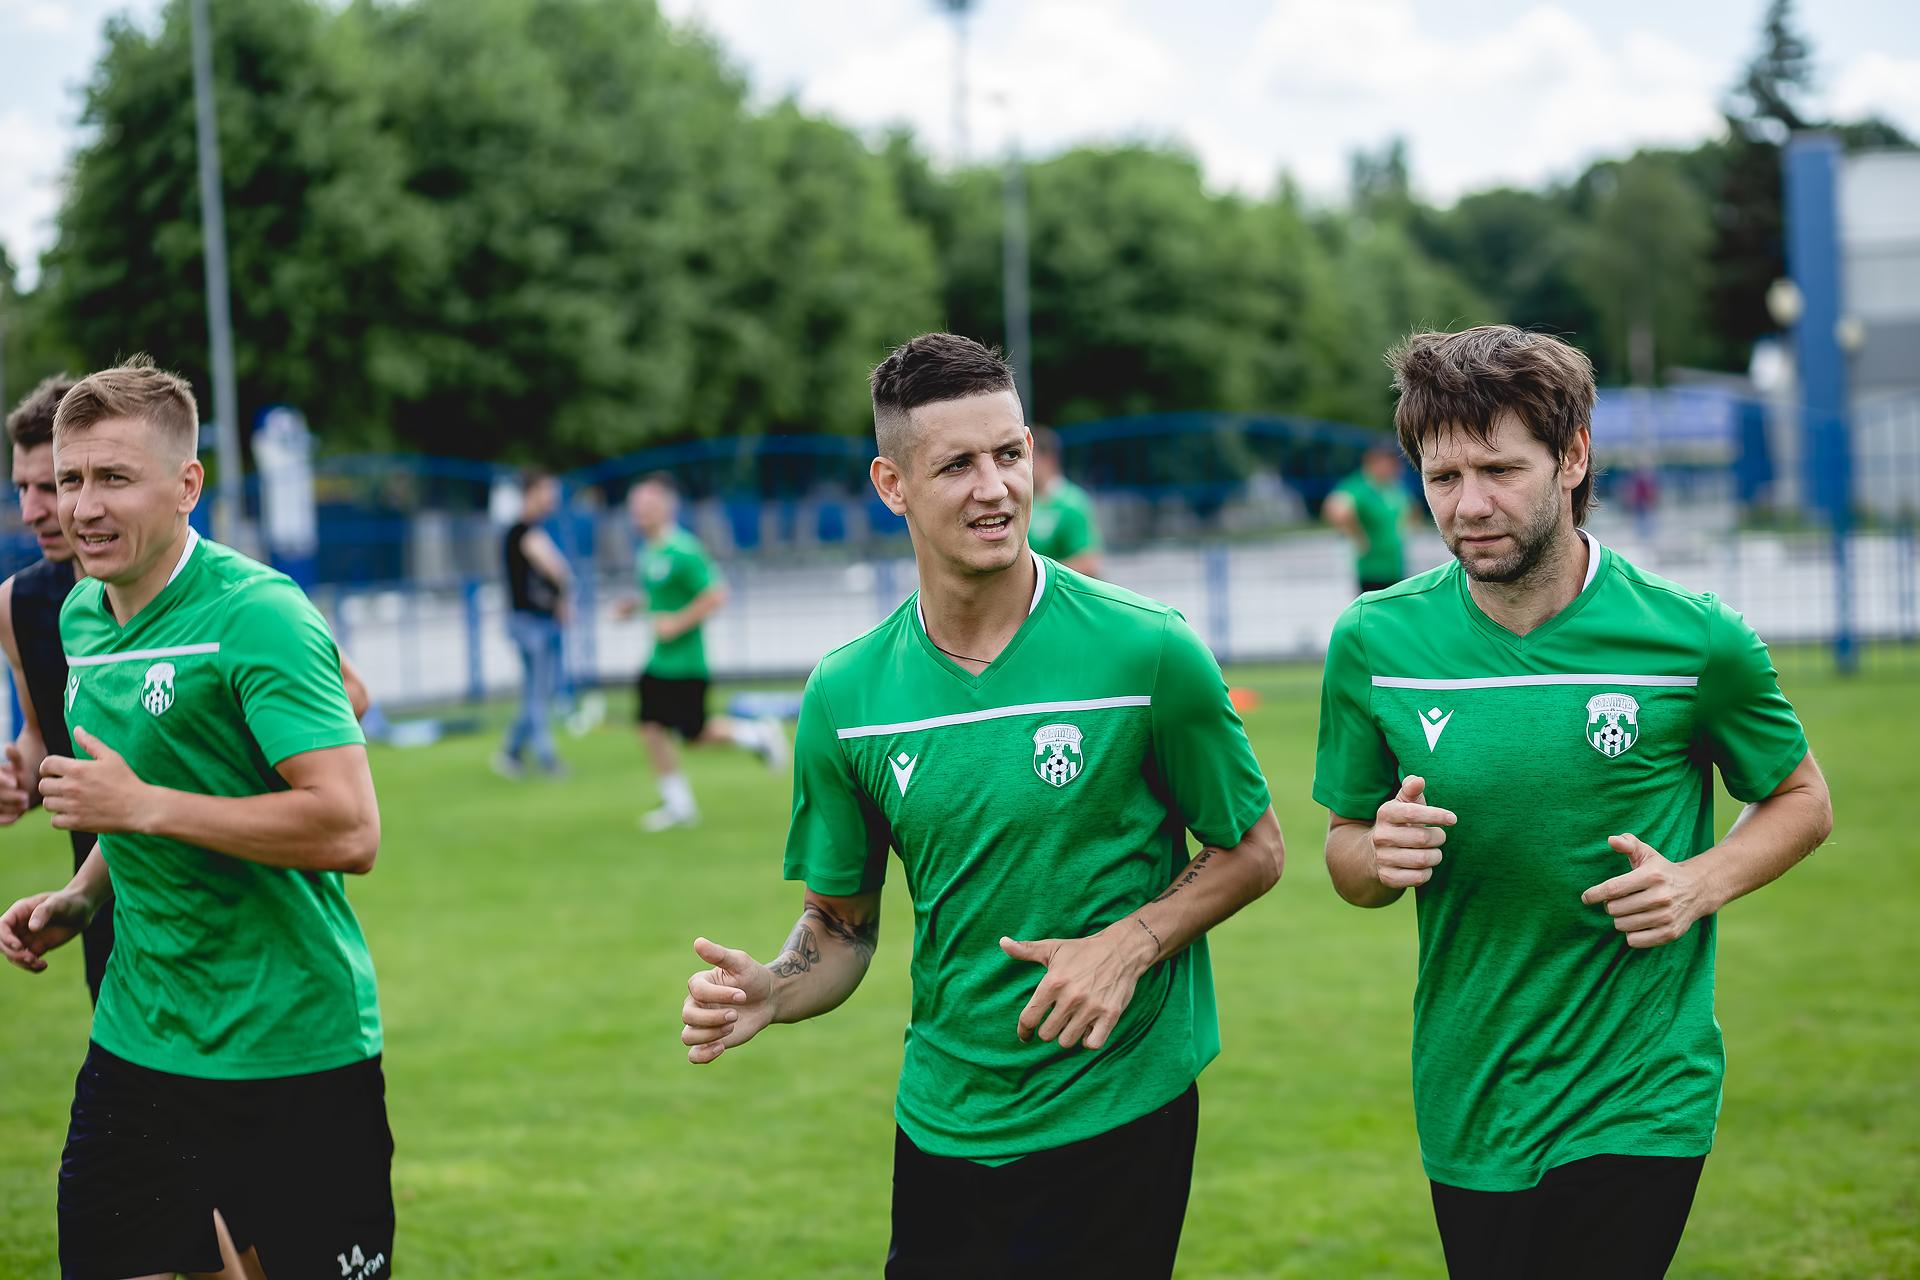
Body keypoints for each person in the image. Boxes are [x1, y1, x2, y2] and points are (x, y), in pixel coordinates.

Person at [679, 333, 1284, 1277]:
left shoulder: (1148, 649)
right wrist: (776, 986)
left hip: (1117, 1104)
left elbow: (1255, 848)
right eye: (956, 464)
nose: (994, 487)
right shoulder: (846, 694)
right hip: (942, 1118)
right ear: (892, 485)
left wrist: (1127, 944)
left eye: (1008, 454)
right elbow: (840, 925)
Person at [1312, 326, 1833, 1280]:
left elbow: (1801, 797)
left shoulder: (1693, 638)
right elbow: (1345, 854)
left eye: (1500, 470)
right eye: (1443, 477)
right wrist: (1377, 855)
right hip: (1471, 1089)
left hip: (1641, 1087)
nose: (1469, 505)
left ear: (1574, 455)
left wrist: (1700, 882)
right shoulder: (1373, 642)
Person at [0, 355, 393, 1280]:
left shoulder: (261, 613)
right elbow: (142, 794)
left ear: (187, 486)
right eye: (69, 480)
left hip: (290, 1044)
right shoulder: (80, 617)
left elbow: (349, 829)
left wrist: (142, 807)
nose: (82, 507)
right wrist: (83, 897)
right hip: (138, 1041)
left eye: (113, 478)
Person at [0, 374, 117, 1004]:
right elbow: (42, 734)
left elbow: (347, 693)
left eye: (51, 485)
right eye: (21, 488)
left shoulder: (199, 587)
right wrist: (15, 778)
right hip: (98, 905)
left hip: (214, 892)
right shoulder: (16, 606)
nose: (32, 510)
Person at [619, 473, 783, 832]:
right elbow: (661, 596)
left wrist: (677, 624)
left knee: (693, 735)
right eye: (636, 507)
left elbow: (715, 594)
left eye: (647, 506)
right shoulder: (648, 551)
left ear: (666, 507)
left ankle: (756, 735)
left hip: (686, 664)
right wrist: (635, 607)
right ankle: (678, 805)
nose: (640, 514)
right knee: (650, 728)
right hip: (659, 662)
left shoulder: (684, 549)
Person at [496, 469, 571, 778]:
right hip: (530, 624)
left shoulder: (528, 531)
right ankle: (547, 759)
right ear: (531, 493)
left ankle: (511, 752)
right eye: (547, 491)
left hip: (538, 622)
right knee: (538, 694)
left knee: (537, 693)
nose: (552, 498)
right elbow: (558, 570)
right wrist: (563, 596)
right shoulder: (523, 532)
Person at [1323, 441, 1415, 594]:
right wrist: (1356, 535)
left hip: (1395, 567)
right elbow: (1336, 508)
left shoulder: (1393, 487)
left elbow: (1409, 510)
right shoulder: (1361, 486)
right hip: (1373, 571)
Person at [1026, 426, 1103, 576]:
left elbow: (1089, 563)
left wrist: (1039, 575)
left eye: (1030, 457)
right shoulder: (1026, 501)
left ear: (1049, 459)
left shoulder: (1072, 503)